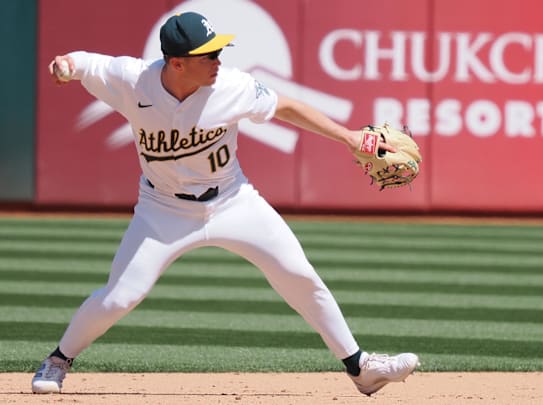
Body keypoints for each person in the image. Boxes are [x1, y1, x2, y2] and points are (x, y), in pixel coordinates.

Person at [32, 11, 418, 396]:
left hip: (234, 201)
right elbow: (83, 63)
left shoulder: (232, 85)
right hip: (162, 209)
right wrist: (65, 65)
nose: (218, 61)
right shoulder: (132, 80)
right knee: (120, 296)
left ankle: (360, 367)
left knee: (299, 275)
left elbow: (285, 106)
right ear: (177, 63)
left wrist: (348, 137)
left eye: (218, 52)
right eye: (208, 56)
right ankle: (58, 360)